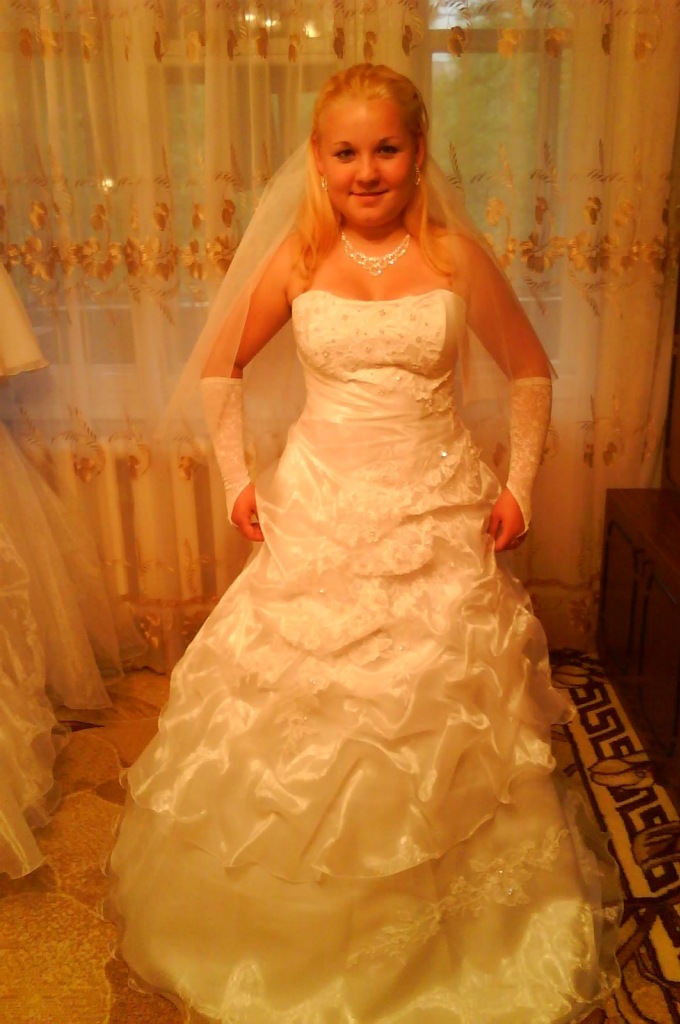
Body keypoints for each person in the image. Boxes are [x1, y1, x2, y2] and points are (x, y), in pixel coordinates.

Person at [107, 64, 621, 1022]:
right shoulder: (299, 258)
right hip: (319, 507)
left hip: (436, 513)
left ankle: (461, 934)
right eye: (346, 152)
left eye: (386, 148)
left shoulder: (456, 257)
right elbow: (220, 368)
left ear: (418, 153)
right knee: (304, 722)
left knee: (439, 714)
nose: (367, 170)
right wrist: (238, 480)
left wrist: (518, 487)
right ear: (319, 159)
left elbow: (530, 370)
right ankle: (291, 940)